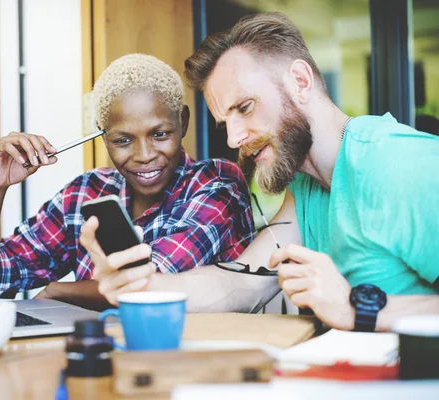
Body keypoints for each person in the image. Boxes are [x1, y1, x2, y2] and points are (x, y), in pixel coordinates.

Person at [81, 13, 439, 331]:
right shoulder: (306, 187)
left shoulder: (397, 163)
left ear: (300, 82)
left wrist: (356, 308)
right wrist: (143, 287)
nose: (236, 138)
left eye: (245, 108)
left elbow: (351, 310)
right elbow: (243, 281)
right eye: (226, 123)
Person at [0, 54, 254, 310]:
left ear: (183, 123)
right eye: (123, 140)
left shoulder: (217, 183)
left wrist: (58, 291)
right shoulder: (87, 192)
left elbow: (145, 286)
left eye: (160, 134)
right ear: (104, 138)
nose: (144, 155)